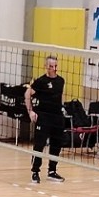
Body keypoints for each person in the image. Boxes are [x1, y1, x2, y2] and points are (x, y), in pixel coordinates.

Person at [26, 56, 66, 184]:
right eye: (51, 66)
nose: (54, 68)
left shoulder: (61, 81)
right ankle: (35, 172)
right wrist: (30, 111)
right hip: (43, 117)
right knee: (39, 145)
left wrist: (62, 109)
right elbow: (27, 94)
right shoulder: (41, 81)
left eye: (55, 66)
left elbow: (60, 97)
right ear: (46, 66)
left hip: (57, 117)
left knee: (56, 144)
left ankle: (52, 171)